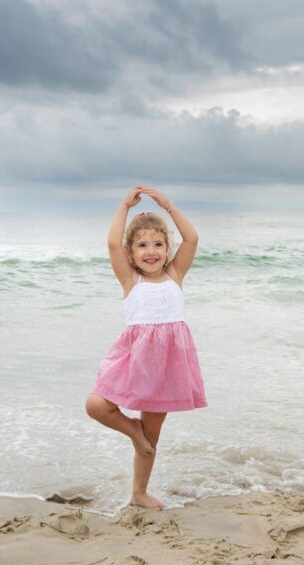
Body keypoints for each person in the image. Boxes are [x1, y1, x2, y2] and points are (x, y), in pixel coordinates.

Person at [85, 185, 207, 510]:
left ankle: (139, 493)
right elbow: (112, 241)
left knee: (153, 435)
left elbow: (192, 239)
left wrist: (169, 206)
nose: (150, 251)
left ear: (168, 249)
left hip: (167, 364)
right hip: (134, 360)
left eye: (158, 243)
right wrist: (125, 205)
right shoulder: (130, 280)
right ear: (130, 252)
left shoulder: (175, 274)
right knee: (96, 405)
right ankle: (132, 431)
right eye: (141, 245)